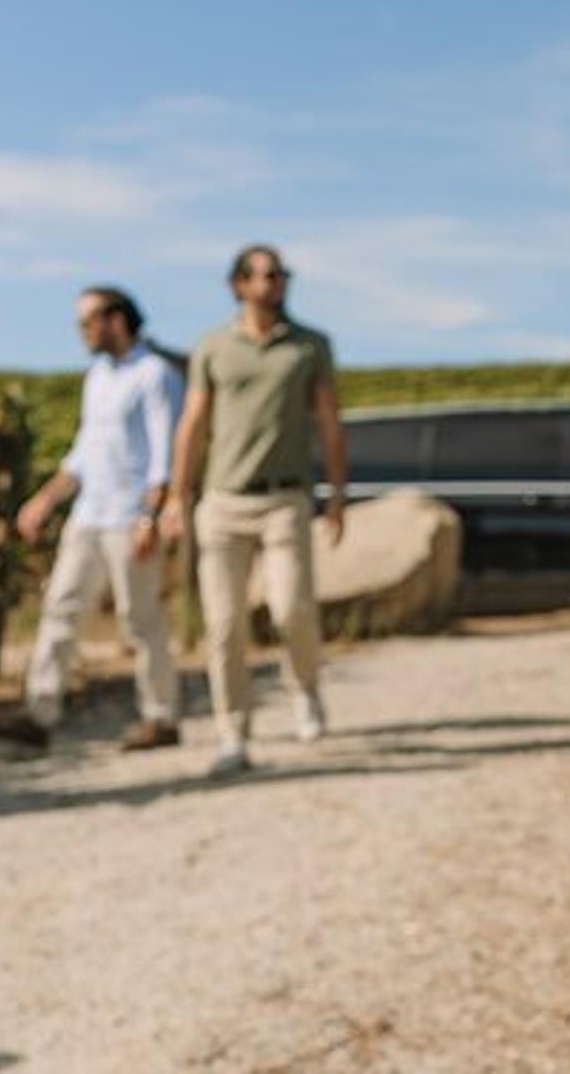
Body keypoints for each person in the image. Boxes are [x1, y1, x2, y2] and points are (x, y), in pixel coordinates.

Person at [160, 245, 346, 778]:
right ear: (239, 284)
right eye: (265, 275)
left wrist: (337, 493)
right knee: (223, 625)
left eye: (282, 275)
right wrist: (178, 495)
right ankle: (232, 733)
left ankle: (306, 688)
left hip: (286, 498)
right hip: (223, 501)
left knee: (292, 608)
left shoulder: (310, 347)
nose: (276, 283)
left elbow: (330, 421)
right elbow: (193, 423)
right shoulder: (214, 347)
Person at [1, 287, 185, 751]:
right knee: (61, 606)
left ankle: (161, 718)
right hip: (88, 515)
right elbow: (83, 453)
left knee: (140, 619)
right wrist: (45, 500)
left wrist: (151, 515)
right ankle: (40, 713)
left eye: (88, 321)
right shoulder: (97, 378)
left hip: (129, 517)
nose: (82, 331)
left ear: (117, 319)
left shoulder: (155, 375)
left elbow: (166, 454)